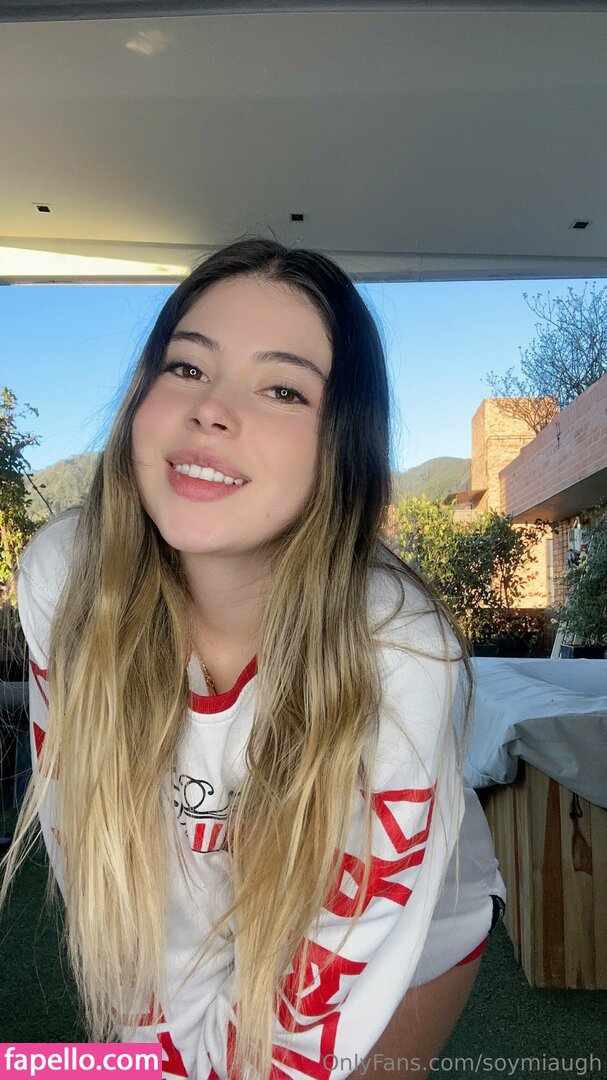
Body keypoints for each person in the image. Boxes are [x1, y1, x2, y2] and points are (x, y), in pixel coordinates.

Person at [2, 238, 504, 1079]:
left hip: (396, 931)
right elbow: (100, 855)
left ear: (340, 448)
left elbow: (300, 1022)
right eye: (187, 367)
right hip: (189, 893)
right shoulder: (66, 578)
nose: (211, 409)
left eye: (281, 388)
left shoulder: (398, 650)